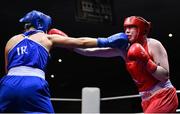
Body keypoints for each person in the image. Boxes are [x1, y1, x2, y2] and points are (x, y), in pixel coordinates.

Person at [0, 10, 128, 113]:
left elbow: (7, 70)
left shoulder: (11, 41)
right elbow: (81, 42)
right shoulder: (46, 37)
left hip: (8, 85)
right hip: (33, 84)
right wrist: (107, 41)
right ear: (41, 24)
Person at [73, 16, 179, 113]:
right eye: (126, 27)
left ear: (142, 29)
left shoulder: (154, 44)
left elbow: (165, 76)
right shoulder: (124, 49)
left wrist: (146, 61)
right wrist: (70, 45)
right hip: (145, 100)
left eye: (132, 27)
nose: (127, 31)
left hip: (164, 96)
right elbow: (91, 51)